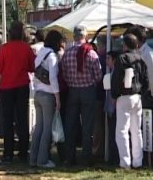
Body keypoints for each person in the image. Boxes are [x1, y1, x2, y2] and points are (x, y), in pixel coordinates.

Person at [0, 21, 35, 164]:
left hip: (7, 86)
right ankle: (23, 152)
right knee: (22, 120)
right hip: (22, 85)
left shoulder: (4, 48)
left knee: (7, 120)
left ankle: (8, 153)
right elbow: (32, 67)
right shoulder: (26, 48)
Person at [61, 25, 102, 166]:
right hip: (88, 90)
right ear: (85, 36)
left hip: (72, 90)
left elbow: (64, 74)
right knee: (87, 125)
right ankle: (86, 157)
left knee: (70, 125)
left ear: (73, 36)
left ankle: (69, 157)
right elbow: (98, 75)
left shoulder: (67, 53)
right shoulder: (91, 53)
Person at [111, 33, 149, 169]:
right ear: (137, 44)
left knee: (121, 131)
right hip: (137, 97)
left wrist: (114, 96)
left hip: (124, 97)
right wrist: (141, 94)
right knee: (136, 130)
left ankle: (125, 162)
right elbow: (146, 81)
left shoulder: (121, 58)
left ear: (125, 45)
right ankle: (138, 161)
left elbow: (115, 80)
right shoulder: (141, 59)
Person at [29, 30, 64, 168]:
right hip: (48, 95)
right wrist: (58, 97)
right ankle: (42, 160)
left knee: (38, 128)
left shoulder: (40, 53)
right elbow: (53, 79)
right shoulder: (52, 56)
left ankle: (33, 158)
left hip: (38, 93)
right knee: (47, 129)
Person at [104, 50, 120, 166]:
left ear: (114, 60)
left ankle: (115, 158)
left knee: (114, 134)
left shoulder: (116, 73)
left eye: (108, 58)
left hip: (114, 108)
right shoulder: (111, 72)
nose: (106, 61)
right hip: (111, 107)